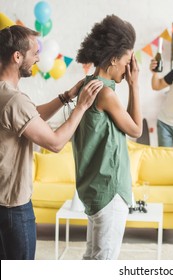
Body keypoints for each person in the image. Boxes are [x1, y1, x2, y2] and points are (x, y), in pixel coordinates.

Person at [0, 25, 103, 260]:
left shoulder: (6, 96)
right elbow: (56, 143)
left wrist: (65, 97)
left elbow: (30, 117)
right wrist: (82, 106)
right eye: (34, 52)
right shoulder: (14, 100)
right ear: (17, 57)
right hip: (13, 209)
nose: (38, 58)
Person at [73, 14, 142, 260]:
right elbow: (136, 130)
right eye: (126, 61)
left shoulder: (88, 85)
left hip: (93, 188)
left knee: (92, 256)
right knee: (104, 260)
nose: (128, 68)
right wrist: (134, 85)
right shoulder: (105, 93)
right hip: (110, 189)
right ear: (113, 59)